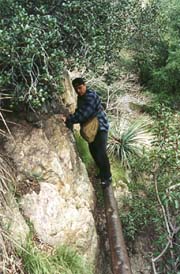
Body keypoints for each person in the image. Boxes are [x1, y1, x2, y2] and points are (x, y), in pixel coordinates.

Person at [64, 77, 112, 188]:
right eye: (76, 89)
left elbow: (83, 115)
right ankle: (102, 173)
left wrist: (68, 119)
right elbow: (79, 111)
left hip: (100, 127)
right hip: (92, 130)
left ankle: (107, 177)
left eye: (80, 88)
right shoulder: (82, 97)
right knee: (93, 151)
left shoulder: (90, 96)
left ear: (85, 85)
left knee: (100, 152)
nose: (78, 91)